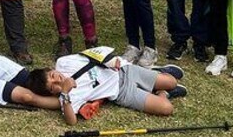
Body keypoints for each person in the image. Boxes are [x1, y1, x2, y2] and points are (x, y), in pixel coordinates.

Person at [26, 48, 187, 125]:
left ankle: (158, 73)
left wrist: (110, 61)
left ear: (51, 69)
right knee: (167, 108)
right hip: (121, 92)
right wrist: (66, 93)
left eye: (53, 76)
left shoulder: (63, 63)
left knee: (172, 81)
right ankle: (163, 93)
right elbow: (72, 122)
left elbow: (90, 55)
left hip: (124, 70)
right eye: (54, 87)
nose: (58, 81)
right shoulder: (66, 97)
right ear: (52, 93)